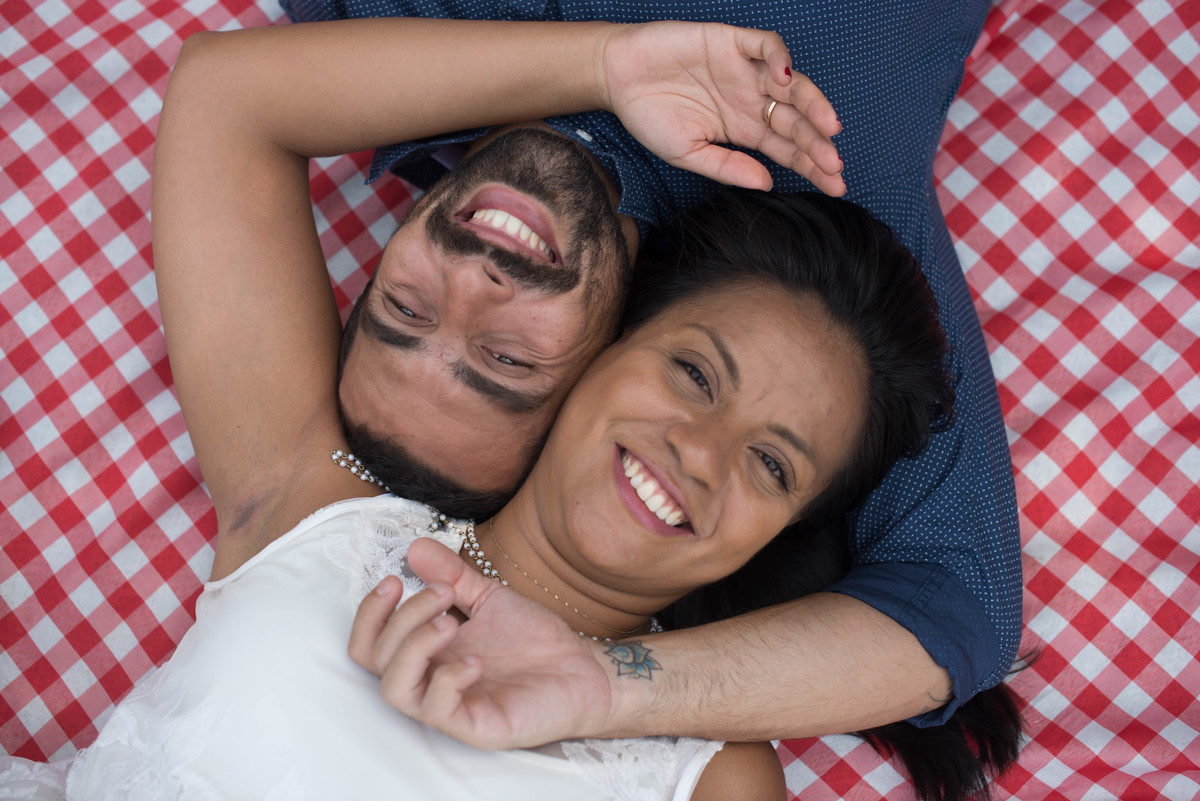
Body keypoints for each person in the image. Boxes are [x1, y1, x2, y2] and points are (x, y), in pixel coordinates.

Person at [0, 186, 958, 800]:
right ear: (603, 347)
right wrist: (605, 70)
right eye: (695, 374)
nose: (701, 453)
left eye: (773, 466)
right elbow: (230, 97)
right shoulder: (324, 498)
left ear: (780, 532)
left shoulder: (711, 774)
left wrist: (601, 690)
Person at [284, 1, 1024, 747]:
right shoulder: (827, 149)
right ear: (601, 356)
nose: (478, 283)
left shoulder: (364, 36)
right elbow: (957, 610)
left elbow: (232, 93)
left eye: (406, 309)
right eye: (507, 358)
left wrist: (605, 64)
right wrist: (605, 683)